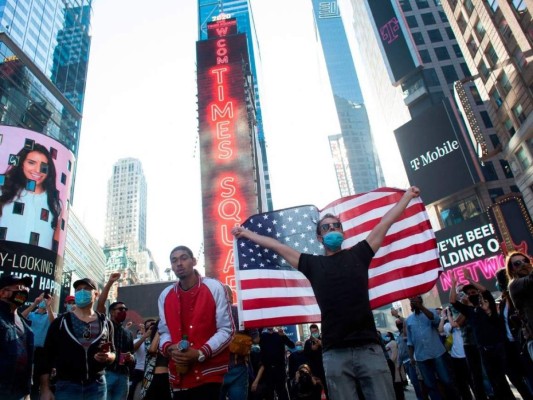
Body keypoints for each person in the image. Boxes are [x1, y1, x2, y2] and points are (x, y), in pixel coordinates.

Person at [232, 186, 422, 399]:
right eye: (326, 228)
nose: (332, 229)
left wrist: (407, 197)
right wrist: (246, 233)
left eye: (335, 226)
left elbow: (384, 224)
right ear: (320, 238)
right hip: (334, 353)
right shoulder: (312, 264)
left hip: (369, 349)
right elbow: (277, 246)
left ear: (342, 232)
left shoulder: (360, 254)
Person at [158, 245, 234, 400]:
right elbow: (164, 331)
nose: (179, 263)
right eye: (174, 260)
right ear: (171, 266)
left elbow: (227, 329)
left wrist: (200, 353)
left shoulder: (214, 287)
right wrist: (170, 348)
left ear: (194, 261)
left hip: (209, 374)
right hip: (178, 374)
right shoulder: (165, 295)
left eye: (184, 258)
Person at [39, 277, 116, 400]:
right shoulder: (60, 322)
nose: (81, 292)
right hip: (66, 386)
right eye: (78, 290)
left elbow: (113, 353)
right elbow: (46, 357)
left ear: (95, 294)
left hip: (97, 386)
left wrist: (108, 356)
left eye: (86, 289)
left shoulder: (106, 323)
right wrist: (45, 389)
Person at [450, 274, 518, 399]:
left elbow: (485, 291)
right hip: (484, 350)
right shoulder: (469, 311)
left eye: (473, 291)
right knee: (494, 380)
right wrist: (453, 284)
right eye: (469, 293)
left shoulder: (489, 304)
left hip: (499, 348)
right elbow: (453, 301)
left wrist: (470, 279)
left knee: (507, 376)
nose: (471, 294)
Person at [0, 143, 62, 250]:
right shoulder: (4, 190)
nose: (37, 170)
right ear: (22, 163)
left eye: (43, 166)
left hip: (35, 263)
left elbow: (55, 243)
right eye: (31, 163)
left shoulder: (55, 203)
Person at [406, 295, 459, 400]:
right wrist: (411, 357)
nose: (414, 303)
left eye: (416, 300)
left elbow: (435, 321)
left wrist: (421, 307)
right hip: (421, 357)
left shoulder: (430, 312)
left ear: (421, 301)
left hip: (437, 353)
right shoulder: (409, 320)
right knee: (430, 384)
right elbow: (410, 341)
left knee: (446, 380)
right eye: (412, 302)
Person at [97, 273, 135, 400]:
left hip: (123, 377)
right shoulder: (106, 325)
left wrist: (131, 358)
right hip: (106, 373)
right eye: (120, 309)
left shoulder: (128, 334)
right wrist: (110, 282)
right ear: (112, 312)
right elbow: (101, 305)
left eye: (125, 309)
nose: (123, 311)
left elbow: (132, 355)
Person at [0, 274, 34, 400]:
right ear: (3, 292)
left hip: (18, 393)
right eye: (19, 287)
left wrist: (27, 393)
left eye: (26, 288)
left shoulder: (26, 326)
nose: (24, 291)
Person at [22, 292, 56, 400]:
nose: (43, 300)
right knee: (27, 378)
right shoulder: (32, 314)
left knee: (39, 379)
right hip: (29, 350)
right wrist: (34, 303)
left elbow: (53, 323)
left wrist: (48, 305)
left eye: (46, 298)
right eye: (42, 297)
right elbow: (21, 317)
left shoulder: (51, 315)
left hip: (43, 352)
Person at [507, 251, 533, 360]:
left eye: (525, 261)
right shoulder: (515, 284)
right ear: (512, 269)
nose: (523, 264)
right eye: (517, 263)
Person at [259, 327, 295, 400]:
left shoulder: (279, 334)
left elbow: (292, 345)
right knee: (269, 393)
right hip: (267, 369)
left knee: (282, 392)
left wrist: (284, 335)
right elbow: (255, 339)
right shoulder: (262, 336)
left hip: (280, 368)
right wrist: (261, 327)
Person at [141, 320, 172, 400]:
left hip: (169, 377)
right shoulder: (149, 339)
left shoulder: (170, 340)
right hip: (152, 377)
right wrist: (159, 332)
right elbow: (152, 350)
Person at [128, 319, 156, 400]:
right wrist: (144, 336)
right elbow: (132, 349)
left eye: (153, 326)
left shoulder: (158, 339)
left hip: (153, 371)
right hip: (140, 370)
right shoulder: (139, 340)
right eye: (148, 327)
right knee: (133, 393)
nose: (151, 328)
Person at [303, 324, 328, 399]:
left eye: (315, 331)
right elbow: (306, 355)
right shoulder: (308, 342)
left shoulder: (324, 340)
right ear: (310, 333)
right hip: (314, 371)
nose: (314, 333)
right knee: (316, 390)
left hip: (325, 368)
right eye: (312, 332)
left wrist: (321, 344)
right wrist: (312, 350)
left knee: (328, 389)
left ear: (318, 330)